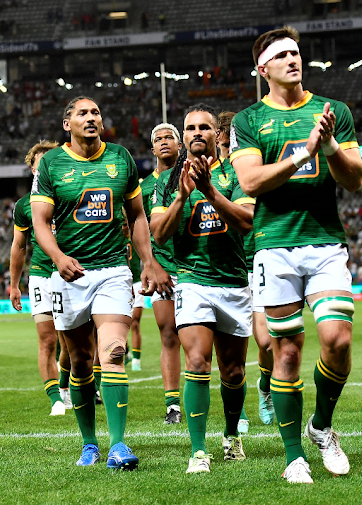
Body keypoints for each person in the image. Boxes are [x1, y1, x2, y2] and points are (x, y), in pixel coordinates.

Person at [230, 27, 362, 483]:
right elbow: (250, 183)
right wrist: (301, 154)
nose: (294, 59)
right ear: (262, 68)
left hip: (326, 242)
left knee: (339, 340)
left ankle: (321, 427)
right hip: (274, 247)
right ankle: (294, 457)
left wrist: (327, 148)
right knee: (285, 351)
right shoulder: (248, 120)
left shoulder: (334, 112)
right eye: (282, 55)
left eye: (296, 52)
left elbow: (354, 179)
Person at [30, 96, 170, 469]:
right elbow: (40, 221)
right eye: (82, 113)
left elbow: (138, 216)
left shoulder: (120, 158)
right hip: (69, 276)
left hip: (112, 271)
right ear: (67, 124)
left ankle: (119, 444)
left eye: (95, 112)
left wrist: (148, 262)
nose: (91, 118)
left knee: (113, 353)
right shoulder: (52, 164)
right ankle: (89, 443)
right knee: (79, 363)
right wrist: (58, 258)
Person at [151, 104, 255, 474]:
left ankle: (231, 436)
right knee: (197, 361)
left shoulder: (237, 173)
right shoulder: (166, 183)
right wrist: (182, 196)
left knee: (234, 371)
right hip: (193, 281)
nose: (197, 133)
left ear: (216, 134)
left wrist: (209, 191)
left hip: (233, 281)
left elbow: (246, 221)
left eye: (204, 128)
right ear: (184, 136)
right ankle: (198, 451)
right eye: (190, 127)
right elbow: (159, 233)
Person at [218, 111, 274, 430]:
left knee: (266, 342)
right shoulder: (213, 175)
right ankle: (237, 411)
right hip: (227, 265)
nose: (228, 151)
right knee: (231, 346)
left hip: (258, 260)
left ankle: (264, 387)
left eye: (231, 145)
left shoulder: (257, 171)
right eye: (224, 145)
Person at [10, 140, 67, 416]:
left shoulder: (70, 195)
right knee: (47, 340)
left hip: (70, 274)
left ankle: (68, 386)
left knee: (70, 340)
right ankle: (56, 397)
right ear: (32, 169)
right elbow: (19, 247)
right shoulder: (24, 206)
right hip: (42, 276)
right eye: (39, 163)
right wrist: (13, 285)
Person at [143, 123, 181, 423]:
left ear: (179, 144)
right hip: (163, 269)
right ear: (152, 148)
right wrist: (152, 267)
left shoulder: (191, 176)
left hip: (195, 267)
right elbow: (135, 230)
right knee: (168, 333)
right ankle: (172, 405)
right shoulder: (143, 188)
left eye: (170, 137)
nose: (164, 142)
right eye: (159, 139)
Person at [123, 218, 144, 372]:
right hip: (121, 284)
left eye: (126, 224)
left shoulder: (135, 237)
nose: (124, 228)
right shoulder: (113, 239)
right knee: (121, 323)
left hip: (136, 282)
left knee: (135, 322)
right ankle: (126, 352)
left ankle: (137, 360)